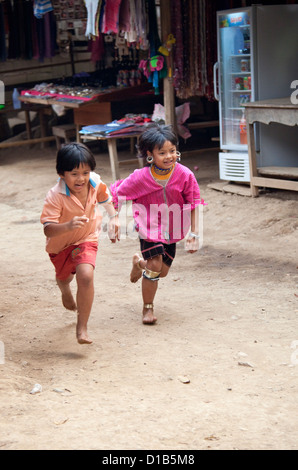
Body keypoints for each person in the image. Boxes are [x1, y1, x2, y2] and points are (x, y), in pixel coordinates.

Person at [110, 124, 205, 325]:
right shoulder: (140, 177)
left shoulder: (185, 174)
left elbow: (195, 203)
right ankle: (147, 308)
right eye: (162, 152)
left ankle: (139, 264)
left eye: (172, 151)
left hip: (173, 229)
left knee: (162, 271)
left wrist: (195, 234)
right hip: (148, 227)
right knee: (154, 267)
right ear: (149, 154)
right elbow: (117, 193)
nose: (169, 156)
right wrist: (115, 217)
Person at [40, 142, 120, 344]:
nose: (81, 178)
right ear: (61, 174)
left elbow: (105, 198)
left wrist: (114, 218)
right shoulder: (55, 196)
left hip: (87, 238)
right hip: (60, 246)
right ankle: (65, 290)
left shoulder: (94, 182)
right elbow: (47, 229)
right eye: (74, 173)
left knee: (85, 276)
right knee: (64, 278)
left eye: (85, 172)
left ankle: (82, 327)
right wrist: (67, 226)